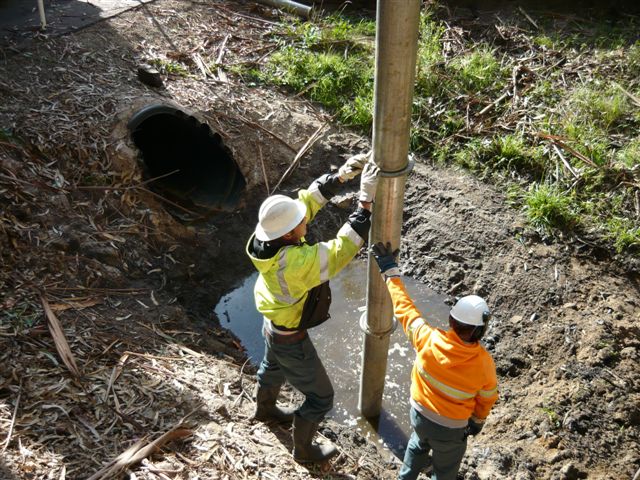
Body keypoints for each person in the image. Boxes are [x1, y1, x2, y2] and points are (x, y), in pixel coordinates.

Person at [246, 153, 379, 463]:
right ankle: (304, 451)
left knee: (272, 366)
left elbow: (304, 202)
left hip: (273, 324)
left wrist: (341, 177)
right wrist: (365, 204)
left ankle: (265, 410)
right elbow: (341, 250)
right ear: (292, 234)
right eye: (301, 222)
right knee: (321, 398)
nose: (307, 218)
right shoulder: (294, 264)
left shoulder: (267, 238)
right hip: (291, 338)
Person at [370, 242, 499, 480]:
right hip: (450, 430)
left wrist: (389, 270)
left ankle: (405, 476)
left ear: (451, 321)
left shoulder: (427, 338)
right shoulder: (484, 364)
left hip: (419, 415)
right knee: (445, 470)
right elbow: (487, 398)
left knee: (418, 444)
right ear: (479, 332)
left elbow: (404, 309)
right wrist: (477, 421)